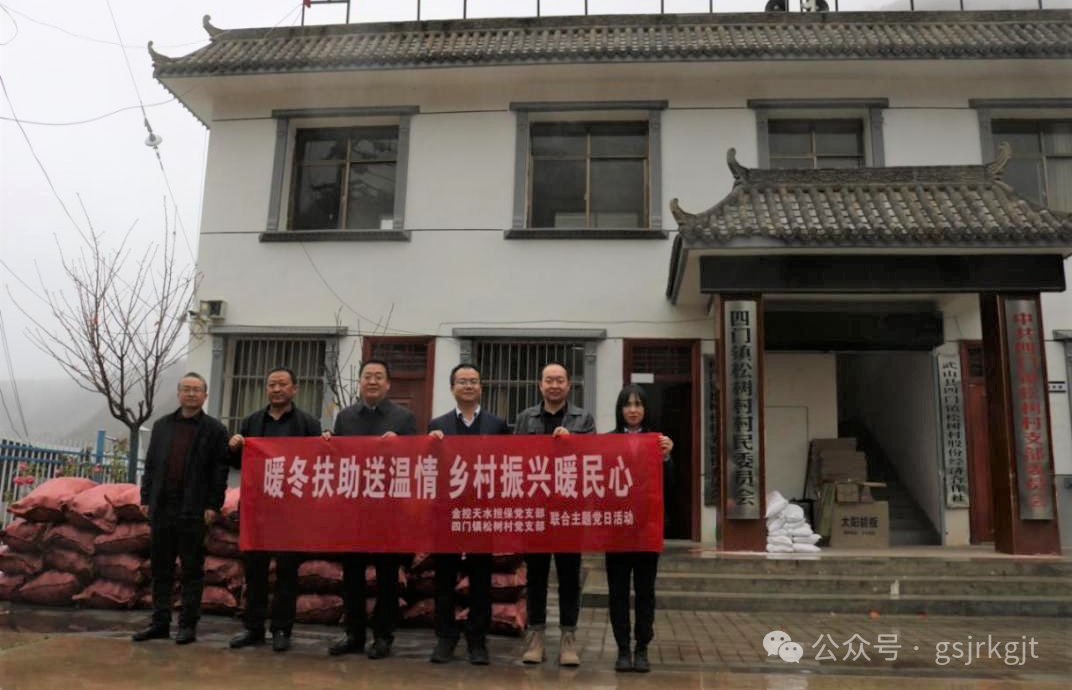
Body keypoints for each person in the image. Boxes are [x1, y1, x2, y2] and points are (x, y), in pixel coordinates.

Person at [325, 359, 417, 659]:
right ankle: (353, 633)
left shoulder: (404, 419)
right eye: (367, 376)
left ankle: (383, 635)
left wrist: (401, 445)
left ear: (388, 384)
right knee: (352, 575)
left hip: (389, 511)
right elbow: (337, 461)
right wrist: (326, 444)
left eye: (379, 376)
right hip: (354, 509)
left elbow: (415, 462)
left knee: (387, 577)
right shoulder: (345, 418)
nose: (373, 381)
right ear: (360, 383)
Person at [227, 367, 322, 653]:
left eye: (282, 384)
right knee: (254, 572)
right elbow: (238, 464)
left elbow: (317, 464)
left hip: (291, 512)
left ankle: (282, 629)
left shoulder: (308, 424)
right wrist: (234, 447)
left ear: (294, 389)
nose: (277, 389)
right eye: (272, 385)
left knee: (287, 573)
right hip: (257, 510)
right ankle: (253, 628)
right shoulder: (251, 422)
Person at [132, 373, 229, 645]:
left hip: (194, 510)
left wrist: (213, 505)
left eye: (197, 390)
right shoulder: (162, 426)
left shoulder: (215, 430)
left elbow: (219, 472)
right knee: (161, 569)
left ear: (205, 395)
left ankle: (187, 625)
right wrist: (146, 497)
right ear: (178, 394)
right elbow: (151, 465)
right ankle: (159, 623)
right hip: (162, 507)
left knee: (191, 570)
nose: (191, 394)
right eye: (186, 389)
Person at [426, 363, 509, 665]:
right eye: (462, 381)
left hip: (482, 513)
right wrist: (430, 445)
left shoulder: (497, 425)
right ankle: (445, 638)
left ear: (481, 388)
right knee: (444, 578)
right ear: (452, 388)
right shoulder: (437, 425)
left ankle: (477, 640)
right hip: (446, 513)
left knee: (481, 578)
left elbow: (507, 465)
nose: (468, 386)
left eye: (473, 381)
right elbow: (428, 468)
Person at [513, 362, 595, 667]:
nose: (555, 385)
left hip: (569, 510)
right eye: (549, 380)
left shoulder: (583, 418)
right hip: (535, 508)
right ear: (540, 385)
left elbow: (595, 457)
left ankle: (567, 638)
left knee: (569, 577)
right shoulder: (526, 418)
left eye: (560, 380)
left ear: (569, 385)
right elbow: (514, 458)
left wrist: (573, 443)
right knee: (535, 576)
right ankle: (535, 636)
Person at [605, 383, 674, 673]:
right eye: (627, 404)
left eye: (638, 404)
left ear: (646, 409)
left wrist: (667, 458)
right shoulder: (607, 441)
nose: (632, 410)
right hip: (617, 529)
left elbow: (669, 486)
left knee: (645, 591)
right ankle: (623, 649)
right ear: (620, 409)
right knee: (618, 592)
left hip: (647, 528)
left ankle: (642, 647)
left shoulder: (657, 441)